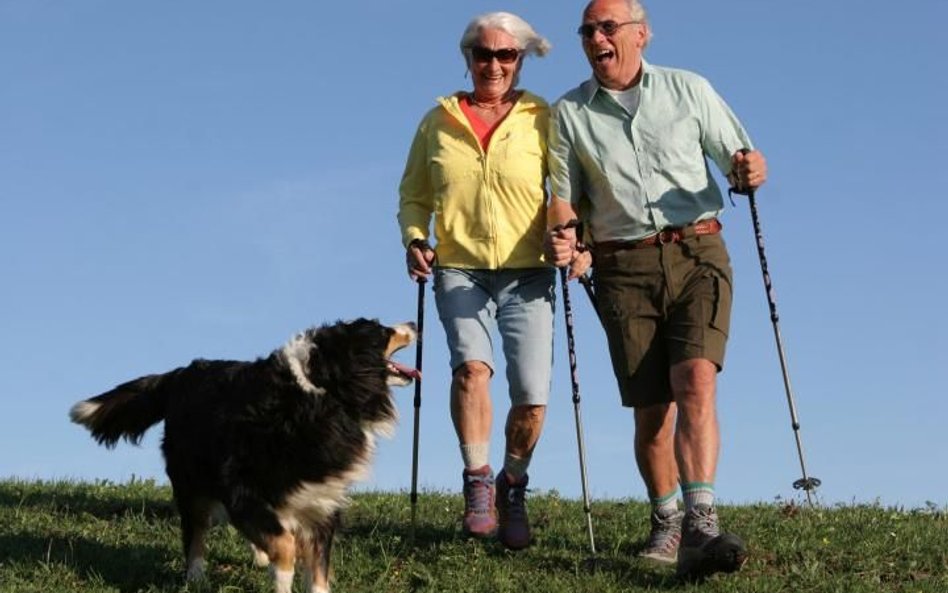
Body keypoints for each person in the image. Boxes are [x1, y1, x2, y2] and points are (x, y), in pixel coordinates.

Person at [544, 0, 768, 579]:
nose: (597, 37)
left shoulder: (689, 89)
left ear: (641, 35)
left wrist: (749, 170)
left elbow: (738, 160)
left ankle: (701, 521)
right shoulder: (568, 113)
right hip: (623, 265)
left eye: (608, 26)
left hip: (698, 249)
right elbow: (565, 196)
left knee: (695, 378)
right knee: (652, 412)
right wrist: (564, 235)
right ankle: (667, 519)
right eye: (588, 30)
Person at [397, 12, 553, 551]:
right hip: (459, 265)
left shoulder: (542, 117)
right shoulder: (437, 121)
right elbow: (414, 194)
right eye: (483, 54)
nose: (493, 65)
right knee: (470, 370)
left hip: (529, 269)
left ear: (521, 61)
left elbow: (567, 188)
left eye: (505, 56)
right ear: (468, 59)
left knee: (532, 397)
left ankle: (513, 483)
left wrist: (572, 237)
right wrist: (416, 238)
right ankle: (478, 482)